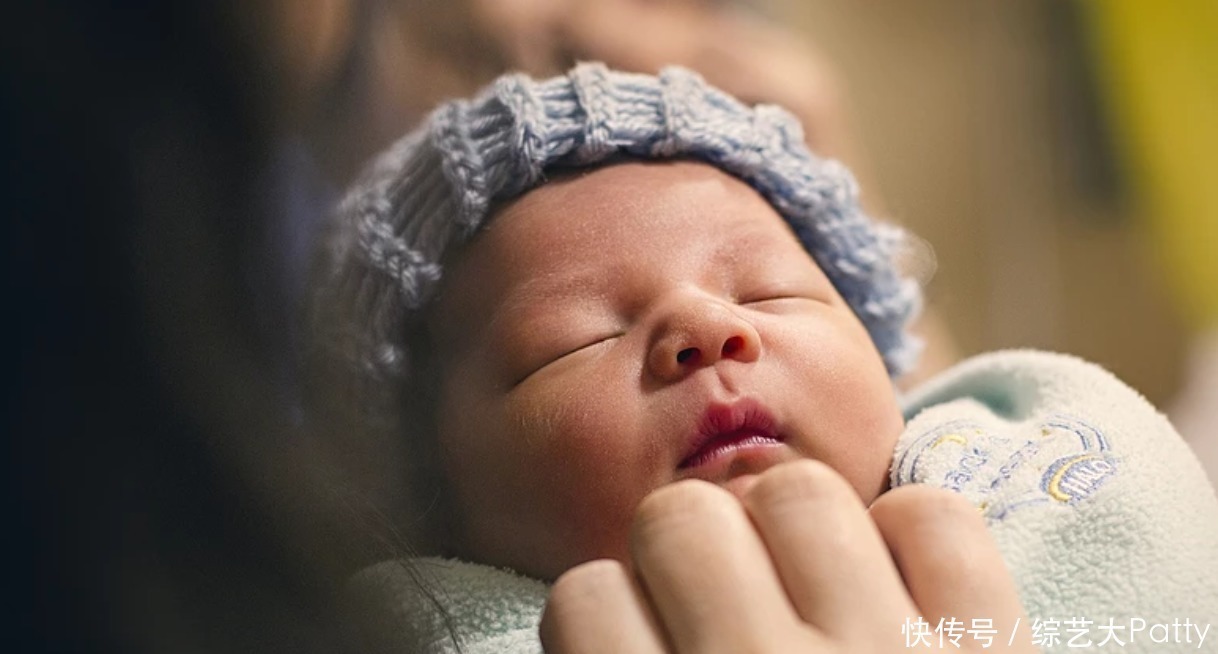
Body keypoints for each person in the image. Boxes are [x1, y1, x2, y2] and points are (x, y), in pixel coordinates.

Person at [306, 64, 1218, 653]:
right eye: (571, 340)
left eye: (769, 292)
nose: (707, 327)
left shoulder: (1012, 472)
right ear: (425, 502)